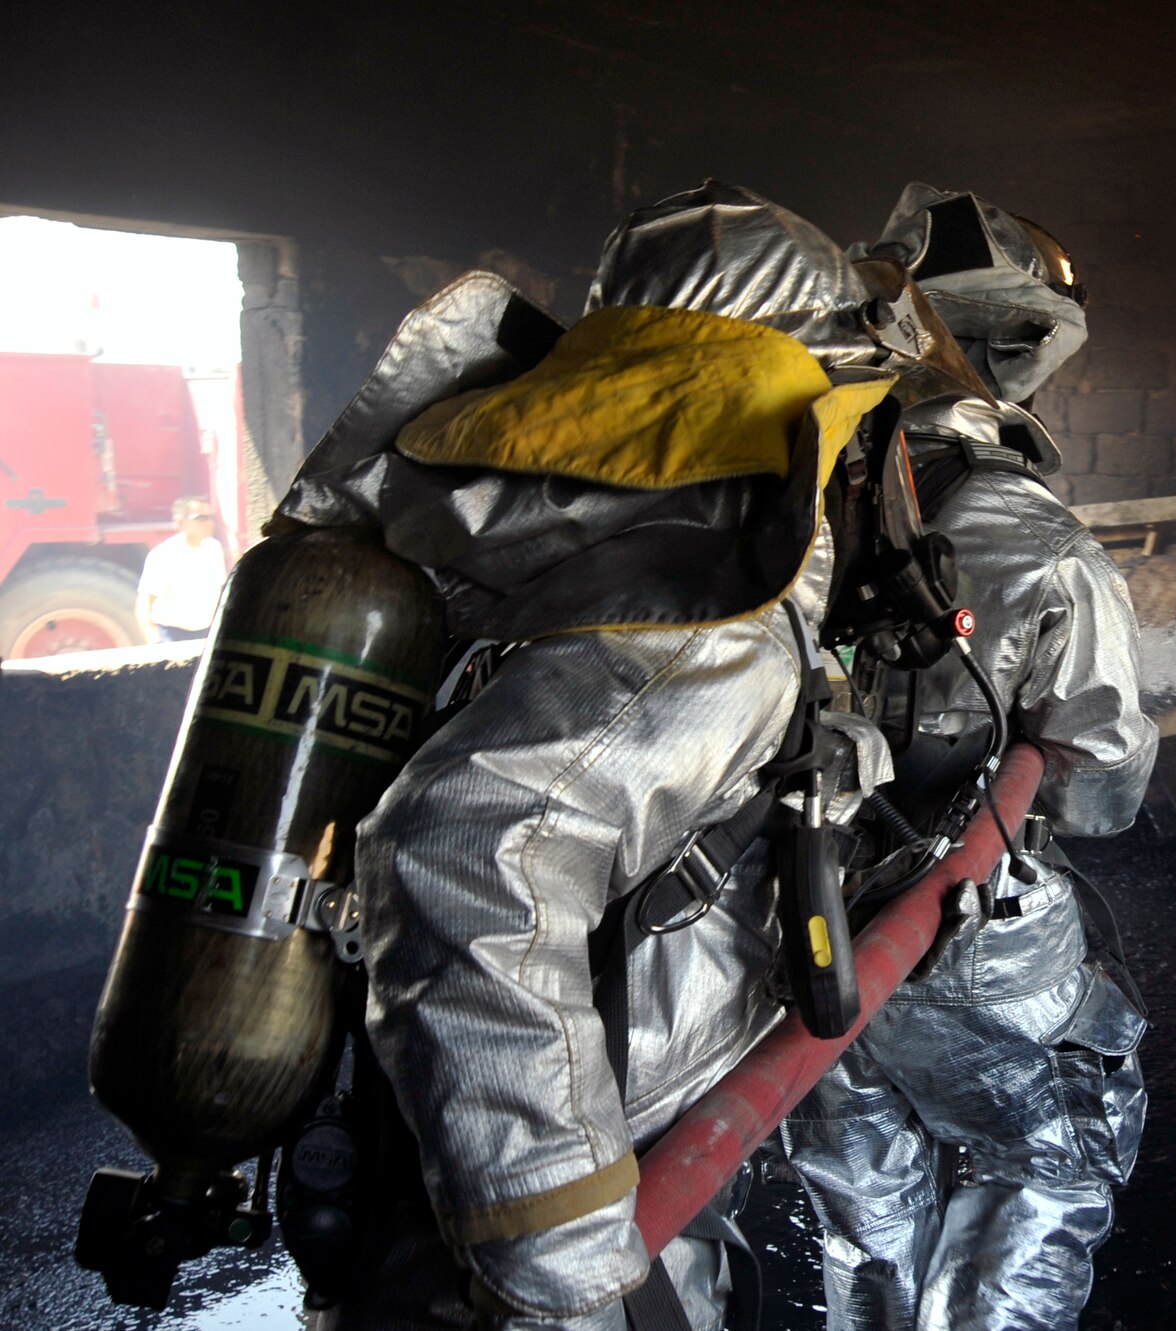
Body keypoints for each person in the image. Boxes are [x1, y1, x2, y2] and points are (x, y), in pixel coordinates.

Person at [277, 182, 960, 1331]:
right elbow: (463, 845)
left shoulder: (521, 516)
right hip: (552, 1161)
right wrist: (567, 1262)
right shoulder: (707, 601)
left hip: (412, 1108)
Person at [780, 184, 1159, 1331]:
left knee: (865, 1208)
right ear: (1004, 349)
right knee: (1046, 1164)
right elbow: (1098, 787)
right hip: (962, 929)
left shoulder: (781, 503)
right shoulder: (1038, 541)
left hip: (792, 929)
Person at [135, 495, 226, 641]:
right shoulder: (164, 554)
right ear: (180, 522)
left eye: (210, 517)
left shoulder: (214, 548)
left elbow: (221, 591)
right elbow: (145, 603)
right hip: (174, 634)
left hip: (207, 631)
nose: (208, 523)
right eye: (201, 518)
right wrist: (154, 641)